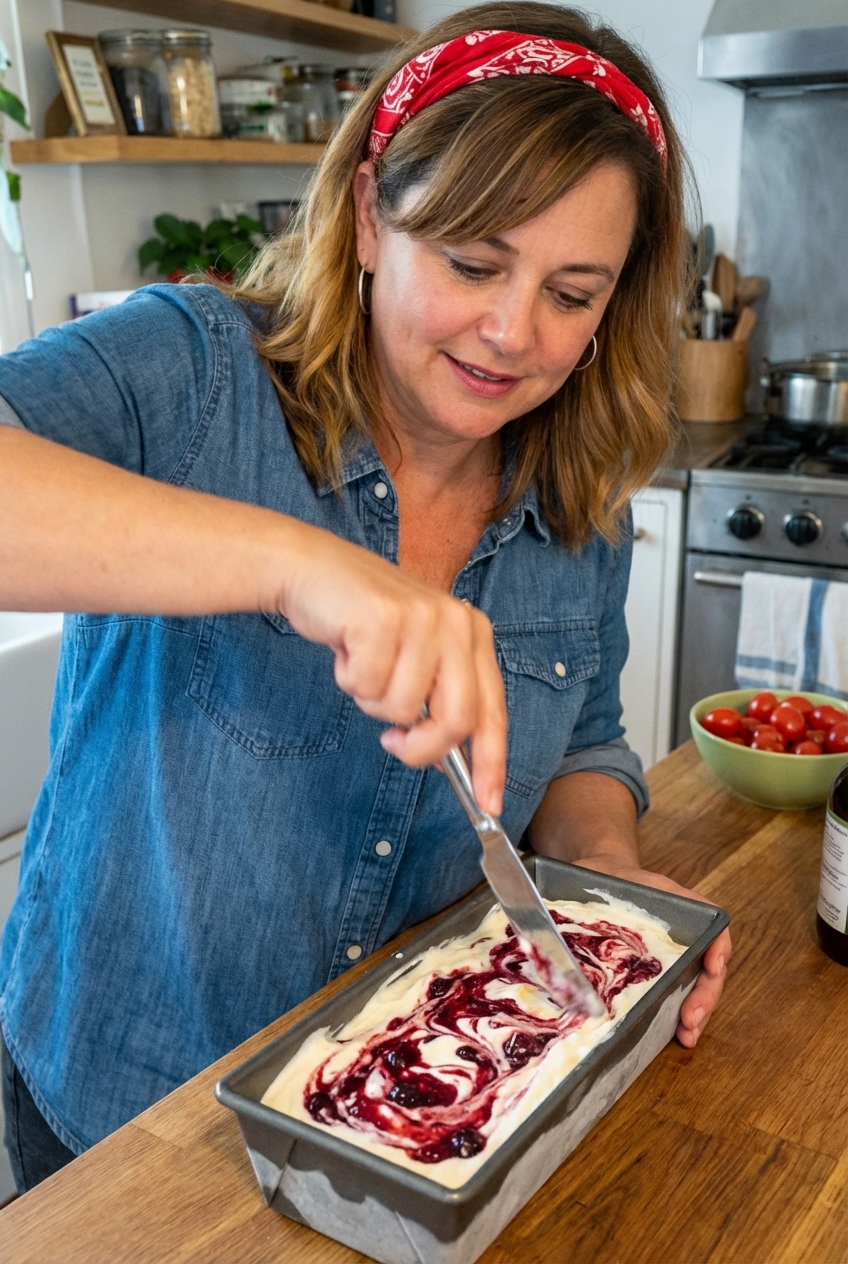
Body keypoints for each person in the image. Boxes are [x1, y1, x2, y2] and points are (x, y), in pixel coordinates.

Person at [0, 2, 730, 1193]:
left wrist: (609, 882)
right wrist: (299, 564)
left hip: (409, 1131)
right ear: (368, 218)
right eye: (474, 261)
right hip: (126, 1124)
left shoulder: (578, 496)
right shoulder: (190, 373)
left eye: (571, 291)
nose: (511, 331)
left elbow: (584, 735)